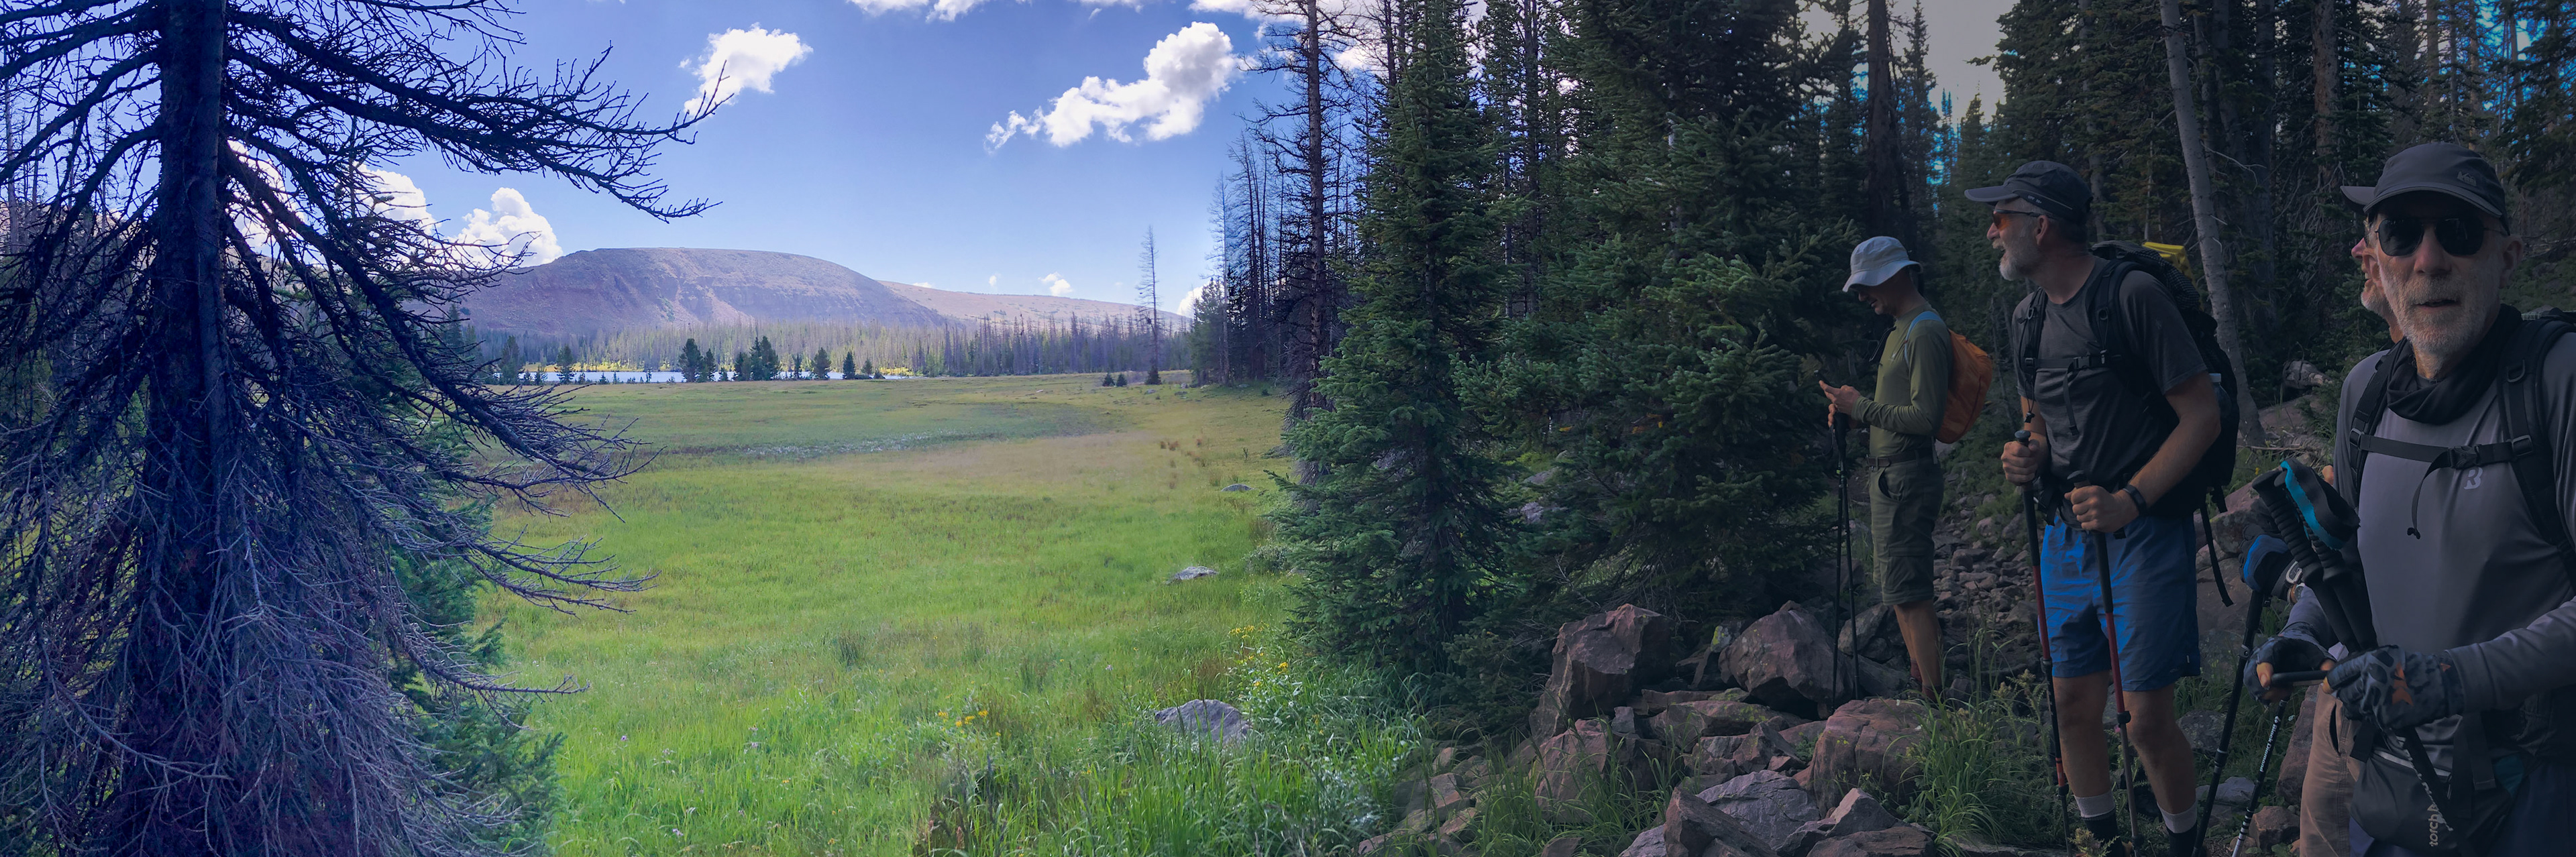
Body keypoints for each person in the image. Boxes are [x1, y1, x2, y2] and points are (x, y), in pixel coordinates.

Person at [2247, 142, 2576, 855]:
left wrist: (2449, 680)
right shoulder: (2366, 391)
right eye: (2400, 234)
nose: (2429, 261)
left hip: (2533, 784)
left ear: (2507, 257)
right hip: (2390, 769)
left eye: (2458, 233)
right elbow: (2345, 562)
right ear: (2375, 255)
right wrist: (2304, 632)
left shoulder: (2558, 382)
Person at [1983, 161, 2219, 856]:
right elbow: (2038, 422)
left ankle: (2185, 846)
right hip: (2065, 537)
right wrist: (2026, 454)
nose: (1992, 232)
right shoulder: (2027, 319)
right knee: (2071, 704)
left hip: (2143, 532)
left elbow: (2201, 416)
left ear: (2041, 226)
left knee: (2144, 719)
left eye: (2001, 218)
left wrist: (2131, 500)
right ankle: (2103, 843)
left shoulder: (2132, 297)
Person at [1819, 235, 1950, 698]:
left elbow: (1926, 419)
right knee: (1897, 592)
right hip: (1889, 479)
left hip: (1907, 479)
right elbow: (1894, 412)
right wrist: (1855, 417)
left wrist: (1861, 406)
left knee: (1911, 594)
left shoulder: (1925, 331)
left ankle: (1936, 705)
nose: (1862, 297)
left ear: (1895, 275)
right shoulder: (1900, 330)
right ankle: (1924, 689)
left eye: (1867, 285)